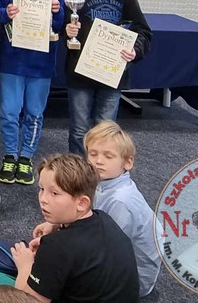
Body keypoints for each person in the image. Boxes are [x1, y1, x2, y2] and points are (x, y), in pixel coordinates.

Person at [0, 154, 138, 302]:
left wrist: (26, 265)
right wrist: (57, 225)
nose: (43, 199)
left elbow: (29, 300)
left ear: (82, 202)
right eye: (42, 189)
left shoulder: (55, 246)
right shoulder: (104, 218)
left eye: (54, 193)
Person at [32, 122, 160, 296]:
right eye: (93, 154)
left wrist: (54, 248)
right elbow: (86, 217)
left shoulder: (120, 201)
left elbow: (104, 247)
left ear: (128, 162)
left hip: (133, 278)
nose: (98, 161)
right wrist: (56, 225)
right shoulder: (105, 183)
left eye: (108, 156)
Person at [64, 0, 151, 156]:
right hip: (80, 73)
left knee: (105, 127)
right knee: (79, 128)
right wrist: (68, 32)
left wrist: (135, 50)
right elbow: (65, 29)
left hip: (112, 75)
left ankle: (101, 170)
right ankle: (78, 170)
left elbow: (143, 31)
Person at [0, 0, 65, 186]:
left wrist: (57, 12)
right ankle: (10, 154)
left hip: (41, 63)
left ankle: (26, 156)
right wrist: (6, 13)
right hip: (12, 60)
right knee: (9, 111)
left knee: (34, 112)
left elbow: (59, 26)